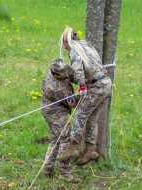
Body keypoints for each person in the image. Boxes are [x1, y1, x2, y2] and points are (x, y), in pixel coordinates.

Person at [57, 27, 112, 165]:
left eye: (64, 44)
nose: (64, 47)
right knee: (92, 118)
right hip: (105, 83)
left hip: (97, 86)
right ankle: (90, 150)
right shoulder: (86, 45)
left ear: (66, 42)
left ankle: (72, 147)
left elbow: (78, 70)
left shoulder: (74, 52)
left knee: (79, 115)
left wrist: (81, 86)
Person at [41, 58, 79, 182]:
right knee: (65, 138)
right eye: (63, 75)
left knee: (55, 139)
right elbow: (73, 103)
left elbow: (71, 74)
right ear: (55, 74)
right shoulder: (55, 87)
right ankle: (64, 172)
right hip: (54, 113)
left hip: (54, 110)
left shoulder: (60, 67)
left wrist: (83, 80)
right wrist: (83, 93)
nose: (66, 75)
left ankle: (47, 168)